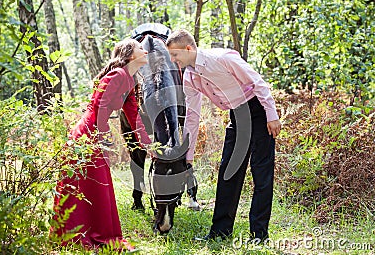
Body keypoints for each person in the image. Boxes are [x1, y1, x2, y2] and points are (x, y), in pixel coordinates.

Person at [166, 29, 282, 242]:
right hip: (237, 117)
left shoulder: (221, 58)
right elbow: (192, 115)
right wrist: (187, 153)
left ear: (189, 48)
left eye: (175, 55)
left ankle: (259, 235)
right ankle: (220, 232)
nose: (172, 60)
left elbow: (257, 81)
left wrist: (271, 114)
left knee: (261, 175)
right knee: (228, 173)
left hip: (257, 112)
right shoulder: (190, 77)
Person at [51, 38, 151, 250]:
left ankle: (98, 233)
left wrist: (149, 145)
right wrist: (103, 139)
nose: (145, 50)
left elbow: (134, 117)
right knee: (87, 184)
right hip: (87, 134)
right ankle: (72, 235)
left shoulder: (130, 80)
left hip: (96, 132)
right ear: (130, 55)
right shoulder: (117, 75)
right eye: (140, 48)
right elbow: (101, 107)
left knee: (98, 185)